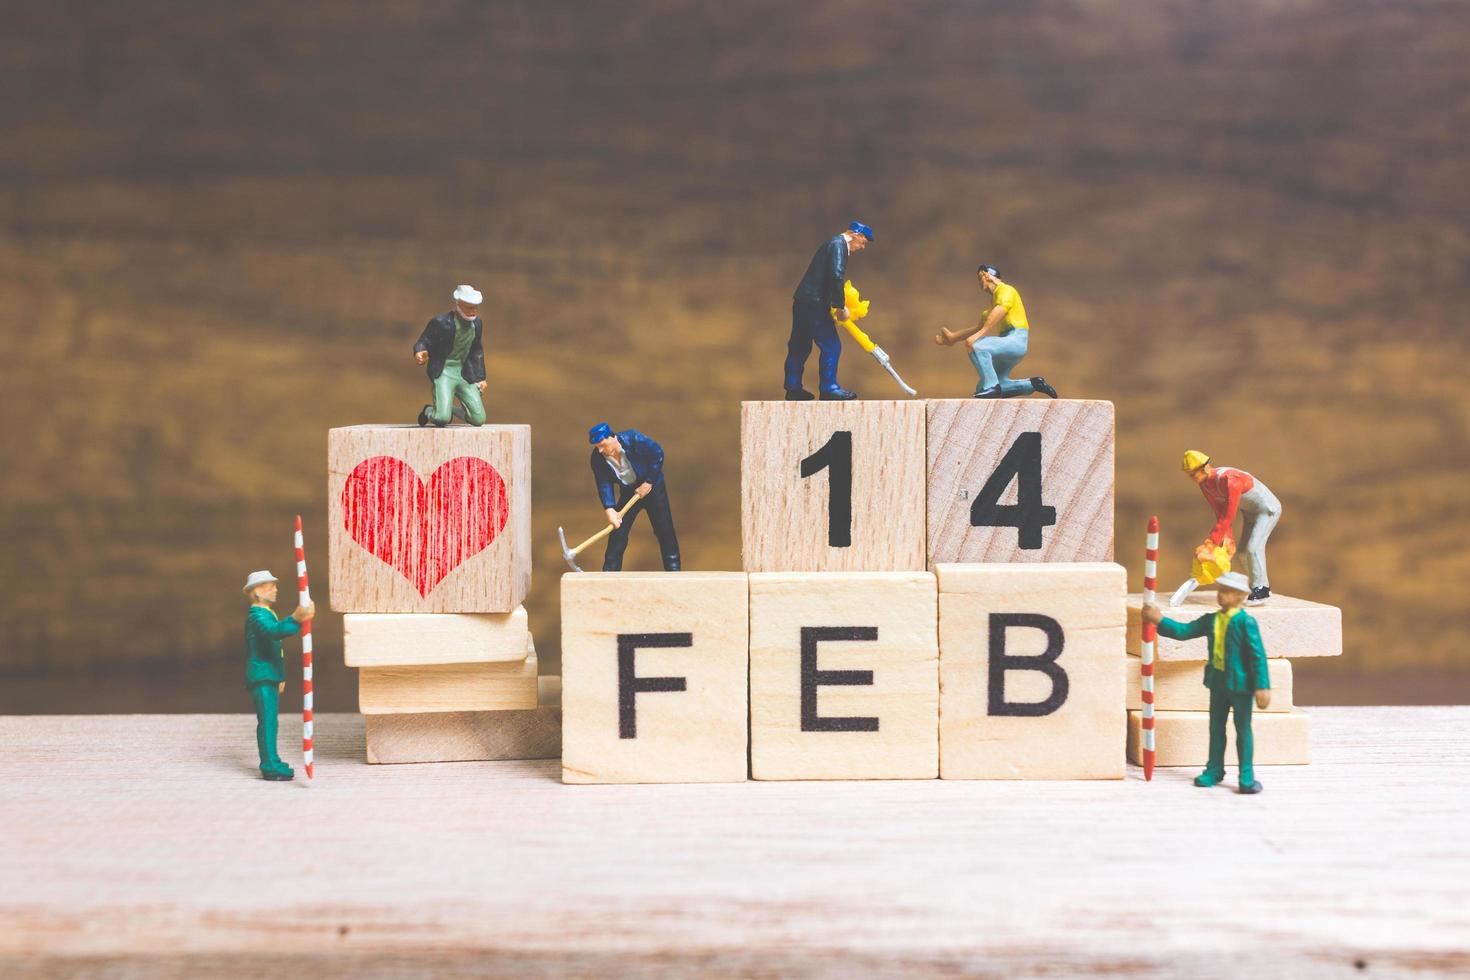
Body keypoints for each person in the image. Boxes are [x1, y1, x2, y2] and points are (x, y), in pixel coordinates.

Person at [1142, 572, 1272, 794]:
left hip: (1241, 686)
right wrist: (1159, 620)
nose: (1222, 595)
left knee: (1243, 730)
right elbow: (1184, 631)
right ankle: (1214, 769)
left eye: (1228, 591)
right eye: (1220, 590)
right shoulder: (1211, 620)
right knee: (1215, 728)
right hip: (1218, 683)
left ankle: (1246, 775)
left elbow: (1257, 656)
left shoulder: (1246, 622)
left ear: (1241, 596)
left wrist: (1262, 686)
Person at [934, 265, 1057, 399]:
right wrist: (953, 338)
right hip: (1006, 343)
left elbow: (1000, 311)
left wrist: (979, 336)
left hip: (1016, 340)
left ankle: (992, 386)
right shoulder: (992, 304)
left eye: (980, 277)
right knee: (982, 388)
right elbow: (978, 327)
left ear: (987, 275)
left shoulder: (1006, 290)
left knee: (976, 345)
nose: (980, 282)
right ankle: (1032, 384)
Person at [784, 221, 874, 401]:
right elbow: (836, 277)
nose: (862, 246)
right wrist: (840, 307)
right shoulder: (838, 246)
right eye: (864, 241)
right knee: (832, 346)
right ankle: (829, 388)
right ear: (856, 235)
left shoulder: (833, 244)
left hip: (803, 301)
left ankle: (792, 387)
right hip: (815, 304)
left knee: (799, 346)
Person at [1178, 450, 1281, 605]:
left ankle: (1262, 589)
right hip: (1250, 512)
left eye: (1193, 474)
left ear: (1205, 468)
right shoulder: (1205, 485)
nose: (1192, 479)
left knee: (1252, 549)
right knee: (1241, 552)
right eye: (1190, 475)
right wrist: (1227, 539)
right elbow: (1220, 513)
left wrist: (1211, 543)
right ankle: (1257, 585)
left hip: (1267, 510)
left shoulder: (1230, 480)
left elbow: (1229, 514)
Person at [241, 570, 314, 781]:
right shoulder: (257, 616)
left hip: (269, 675)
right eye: (270, 586)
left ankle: (272, 759)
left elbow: (274, 648)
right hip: (262, 676)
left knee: (271, 721)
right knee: (267, 722)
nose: (275, 590)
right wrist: (296, 618)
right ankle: (269, 765)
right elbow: (274, 632)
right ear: (256, 591)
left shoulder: (267, 612)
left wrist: (280, 677)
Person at [588, 423, 681, 572]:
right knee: (618, 532)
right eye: (596, 446)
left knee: (664, 529)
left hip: (653, 489)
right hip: (629, 493)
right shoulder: (598, 459)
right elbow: (603, 483)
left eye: (602, 445)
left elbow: (657, 453)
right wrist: (609, 508)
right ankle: (609, 574)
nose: (599, 450)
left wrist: (649, 482)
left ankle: (674, 571)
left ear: (612, 438)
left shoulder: (634, 439)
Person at [414, 284, 488, 427]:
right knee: (441, 419)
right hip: (444, 372)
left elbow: (477, 351)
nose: (473, 312)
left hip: (464, 373)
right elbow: (424, 341)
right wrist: (420, 351)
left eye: (475, 308)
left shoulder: (477, 324)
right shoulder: (441, 323)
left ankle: (448, 409)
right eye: (469, 308)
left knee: (478, 419)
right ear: (458, 304)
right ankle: (429, 411)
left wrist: (480, 378)